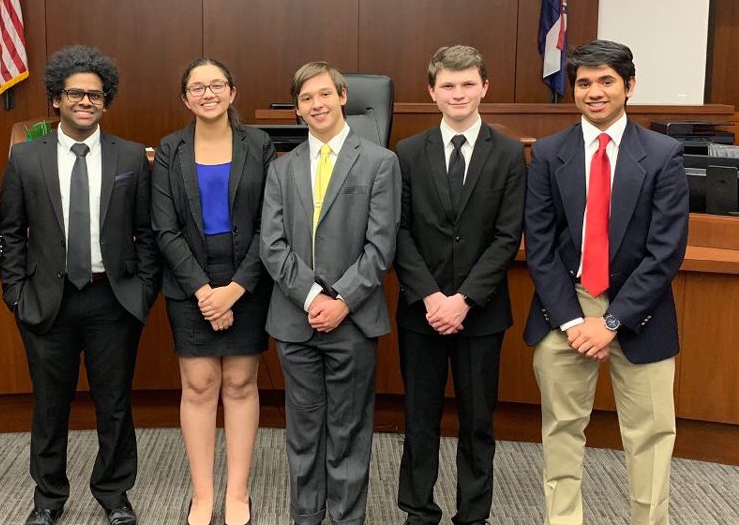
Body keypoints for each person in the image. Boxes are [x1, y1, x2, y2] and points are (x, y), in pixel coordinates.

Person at [523, 39, 689, 525]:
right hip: (565, 310)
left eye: (606, 81)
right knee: (561, 430)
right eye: (584, 83)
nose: (594, 92)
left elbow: (666, 253)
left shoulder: (663, 154)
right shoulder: (550, 154)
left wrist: (612, 321)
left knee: (652, 437)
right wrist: (576, 319)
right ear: (573, 90)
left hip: (641, 314)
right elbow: (541, 244)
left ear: (629, 86)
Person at [0, 45, 160, 525]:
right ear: (56, 99)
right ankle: (48, 497)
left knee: (114, 404)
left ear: (105, 102)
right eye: (75, 94)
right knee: (50, 407)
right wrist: (16, 294)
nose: (85, 101)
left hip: (113, 298)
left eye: (95, 95)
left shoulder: (130, 155)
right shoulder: (27, 158)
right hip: (48, 301)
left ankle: (114, 494)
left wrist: (143, 289)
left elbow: (147, 233)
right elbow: (10, 235)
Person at [260, 61, 401, 525]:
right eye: (305, 99)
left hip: (353, 319)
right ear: (297, 110)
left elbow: (381, 248)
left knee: (347, 429)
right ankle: (306, 516)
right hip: (295, 321)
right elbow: (271, 244)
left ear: (343, 96)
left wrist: (340, 300)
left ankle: (345, 518)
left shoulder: (380, 161)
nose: (316, 104)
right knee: (302, 429)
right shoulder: (282, 169)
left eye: (324, 94)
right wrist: (310, 298)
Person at [394, 46, 526, 525]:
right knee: (420, 418)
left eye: (468, 83)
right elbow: (399, 232)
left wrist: (464, 299)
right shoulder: (407, 152)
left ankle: (473, 514)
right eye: (448, 85)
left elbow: (508, 236)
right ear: (432, 92)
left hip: (482, 314)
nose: (458, 93)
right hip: (421, 311)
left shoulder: (509, 153)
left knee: (477, 422)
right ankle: (418, 511)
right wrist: (432, 296)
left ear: (484, 87)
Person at [152, 57, 276, 525]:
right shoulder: (170, 148)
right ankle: (202, 494)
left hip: (248, 279)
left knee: (242, 384)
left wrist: (235, 290)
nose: (208, 93)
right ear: (186, 98)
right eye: (198, 87)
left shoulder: (259, 144)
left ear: (232, 92)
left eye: (217, 85)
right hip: (190, 282)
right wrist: (205, 291)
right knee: (200, 385)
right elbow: (164, 230)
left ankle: (237, 493)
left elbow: (271, 224)